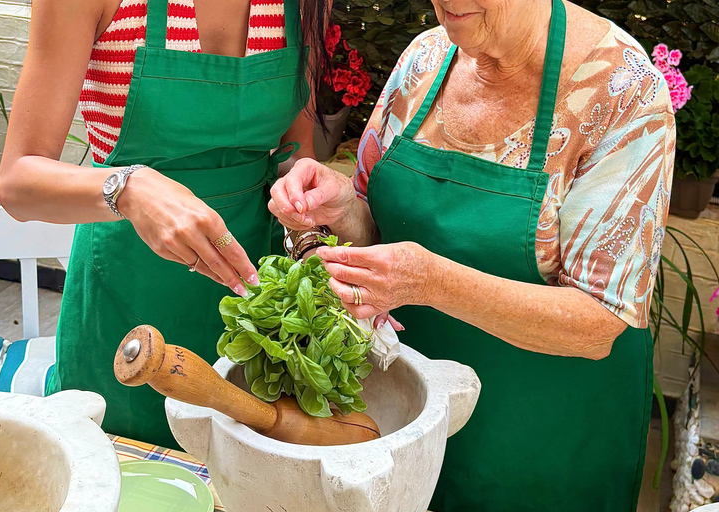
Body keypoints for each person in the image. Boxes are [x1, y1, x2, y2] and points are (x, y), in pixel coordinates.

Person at [269, 0, 675, 510]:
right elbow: (379, 227)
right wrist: (345, 206)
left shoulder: (623, 90)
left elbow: (598, 325)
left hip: (538, 447)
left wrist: (433, 284)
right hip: (405, 423)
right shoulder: (427, 56)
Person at [0, 0, 329, 448]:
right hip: (125, 302)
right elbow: (18, 182)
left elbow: (295, 149)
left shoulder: (307, 4)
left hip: (256, 309)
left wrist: (308, 202)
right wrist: (129, 188)